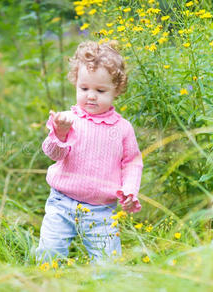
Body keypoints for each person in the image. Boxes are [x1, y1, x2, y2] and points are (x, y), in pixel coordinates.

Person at [36, 40, 143, 264]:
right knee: (49, 253)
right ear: (76, 84)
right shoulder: (68, 119)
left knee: (108, 263)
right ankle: (47, 283)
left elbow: (132, 162)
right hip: (61, 202)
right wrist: (61, 133)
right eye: (84, 88)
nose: (91, 95)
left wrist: (129, 190)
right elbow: (52, 153)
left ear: (117, 90)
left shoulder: (122, 128)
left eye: (100, 90)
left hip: (101, 210)